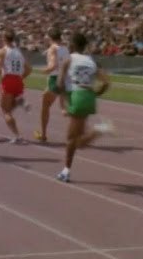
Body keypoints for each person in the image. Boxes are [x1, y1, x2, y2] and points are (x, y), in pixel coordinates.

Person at [55, 33, 115, 182]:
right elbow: (107, 82)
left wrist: (65, 101)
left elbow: (59, 84)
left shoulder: (68, 60)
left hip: (78, 96)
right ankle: (99, 130)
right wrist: (96, 94)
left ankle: (66, 171)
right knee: (78, 141)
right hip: (89, 97)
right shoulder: (91, 61)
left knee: (70, 140)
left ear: (73, 45)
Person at [0, 29, 32, 143]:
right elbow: (29, 69)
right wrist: (20, 78)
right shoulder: (18, 52)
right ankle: (20, 101)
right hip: (18, 80)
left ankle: (18, 136)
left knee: (5, 111)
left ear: (4, 38)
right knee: (9, 107)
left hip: (8, 80)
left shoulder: (2, 51)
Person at [34, 26, 71, 143]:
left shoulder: (52, 49)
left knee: (45, 106)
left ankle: (44, 134)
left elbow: (53, 65)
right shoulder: (65, 49)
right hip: (66, 79)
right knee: (63, 107)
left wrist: (44, 70)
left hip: (55, 79)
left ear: (50, 37)